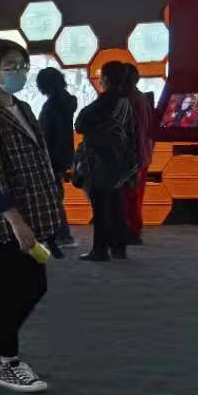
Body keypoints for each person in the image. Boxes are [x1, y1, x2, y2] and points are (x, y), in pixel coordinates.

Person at [0, 38, 65, 394]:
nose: (19, 72)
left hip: (31, 216)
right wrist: (16, 222)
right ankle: (9, 363)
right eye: (11, 67)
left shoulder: (23, 108)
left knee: (33, 286)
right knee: (12, 289)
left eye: (22, 65)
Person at [75, 62, 137, 263]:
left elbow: (80, 124)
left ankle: (99, 250)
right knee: (117, 206)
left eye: (101, 75)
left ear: (107, 79)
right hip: (119, 161)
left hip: (101, 161)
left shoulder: (105, 102)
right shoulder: (126, 101)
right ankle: (119, 248)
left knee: (101, 208)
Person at [36, 67, 78, 250]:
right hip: (62, 157)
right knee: (54, 195)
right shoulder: (65, 101)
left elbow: (46, 134)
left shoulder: (52, 106)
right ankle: (58, 234)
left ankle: (62, 235)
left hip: (50, 158)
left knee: (52, 197)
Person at [120, 64, 153, 245]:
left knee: (130, 196)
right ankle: (134, 228)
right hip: (143, 154)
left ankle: (131, 231)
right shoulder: (141, 98)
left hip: (133, 156)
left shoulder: (129, 101)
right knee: (135, 195)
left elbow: (134, 132)